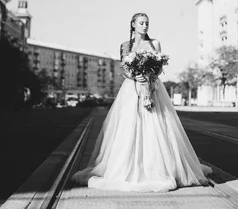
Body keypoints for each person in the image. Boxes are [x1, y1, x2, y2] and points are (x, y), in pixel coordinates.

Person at [71, 13, 212, 192]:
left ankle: (161, 168)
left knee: (157, 126)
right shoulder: (125, 45)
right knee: (129, 127)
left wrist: (149, 76)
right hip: (132, 90)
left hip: (153, 89)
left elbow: (160, 68)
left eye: (147, 23)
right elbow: (124, 69)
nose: (145, 26)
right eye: (141, 23)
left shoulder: (155, 43)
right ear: (133, 25)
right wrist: (134, 75)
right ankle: (129, 168)